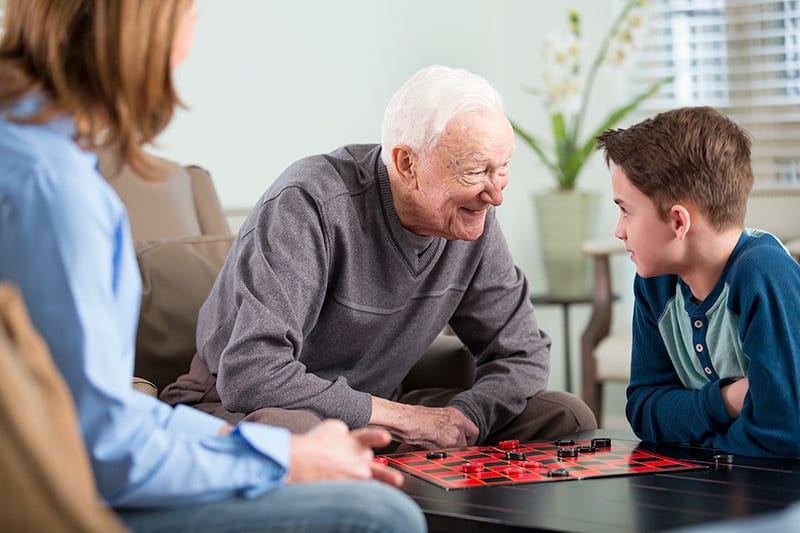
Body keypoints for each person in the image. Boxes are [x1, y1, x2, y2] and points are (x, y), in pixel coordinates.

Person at [0, 1, 426, 531]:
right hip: (58, 500)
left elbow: (95, 409)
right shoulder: (52, 190)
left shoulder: (29, 152)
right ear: (143, 27)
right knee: (378, 514)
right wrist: (289, 460)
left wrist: (250, 445)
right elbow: (100, 450)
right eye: (189, 13)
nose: (193, 28)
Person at [162, 64, 597, 450]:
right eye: (476, 170)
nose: (496, 193)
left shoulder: (470, 220)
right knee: (302, 435)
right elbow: (252, 374)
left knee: (564, 415)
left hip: (375, 411)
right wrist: (404, 419)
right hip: (240, 406)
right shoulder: (309, 203)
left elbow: (522, 352)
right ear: (407, 164)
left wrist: (469, 415)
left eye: (502, 167)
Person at [596, 106, 800, 458]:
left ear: (678, 221)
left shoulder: (763, 274)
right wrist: (728, 400)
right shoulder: (655, 283)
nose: (619, 230)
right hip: (729, 479)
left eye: (626, 210)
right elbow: (644, 409)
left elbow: (783, 434)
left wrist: (696, 446)